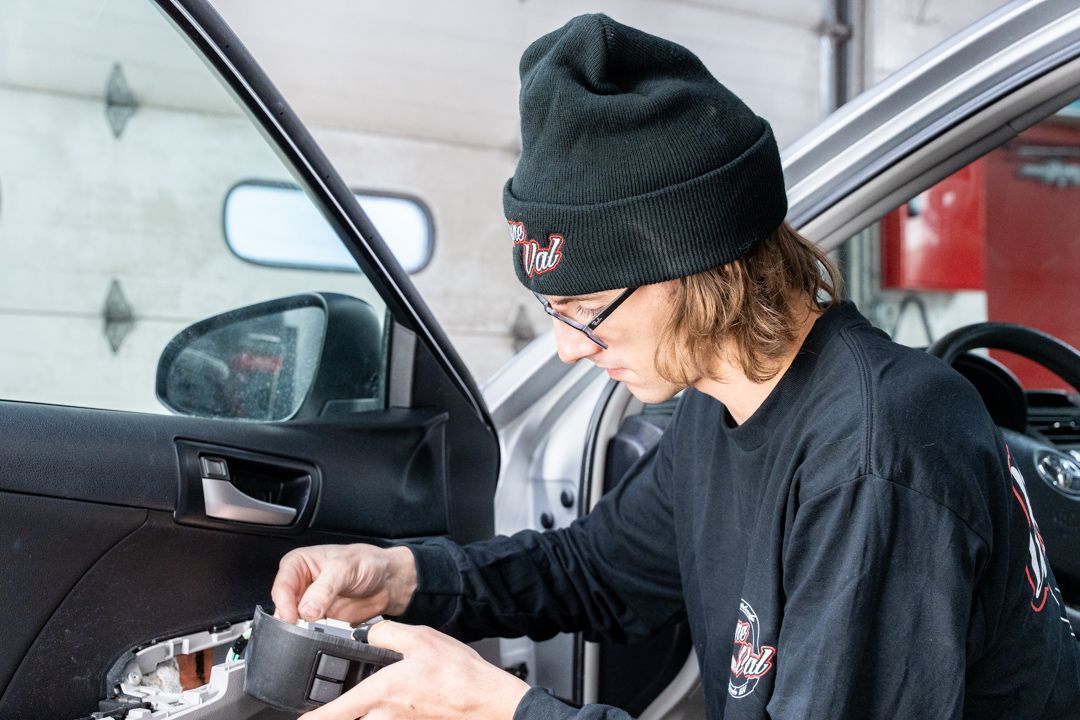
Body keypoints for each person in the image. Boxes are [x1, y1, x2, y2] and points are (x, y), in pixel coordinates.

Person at [272, 13, 1080, 720]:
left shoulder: (879, 452)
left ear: (711, 270)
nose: (567, 347)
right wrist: (402, 576)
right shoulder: (719, 401)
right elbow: (598, 570)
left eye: (588, 311)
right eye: (556, 311)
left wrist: (504, 710)